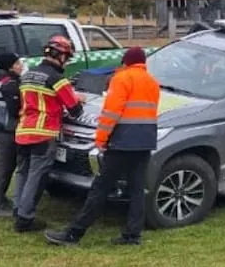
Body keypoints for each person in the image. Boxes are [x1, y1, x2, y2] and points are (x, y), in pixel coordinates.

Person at [45, 46, 159, 246]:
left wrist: (101, 139)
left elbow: (111, 114)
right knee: (137, 190)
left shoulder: (122, 79)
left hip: (122, 143)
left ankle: (74, 233)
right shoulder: (152, 82)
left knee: (100, 189)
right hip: (144, 142)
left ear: (125, 61)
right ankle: (133, 235)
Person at [11, 35, 84, 233]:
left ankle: (18, 210)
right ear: (60, 56)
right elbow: (76, 110)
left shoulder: (27, 75)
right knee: (36, 176)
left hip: (22, 131)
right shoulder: (57, 80)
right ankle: (25, 220)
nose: (66, 62)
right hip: (43, 134)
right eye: (67, 58)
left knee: (22, 173)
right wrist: (78, 98)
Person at [0, 52, 24, 218]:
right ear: (10, 66)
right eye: (18, 63)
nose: (21, 65)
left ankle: (0, 199)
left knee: (4, 167)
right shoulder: (11, 85)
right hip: (6, 131)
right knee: (4, 169)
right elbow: (16, 109)